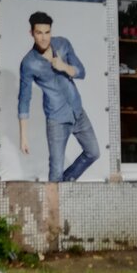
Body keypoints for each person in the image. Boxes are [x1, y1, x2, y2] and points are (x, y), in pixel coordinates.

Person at [18, 11, 100, 182]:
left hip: (77, 112)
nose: (44, 38)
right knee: (55, 172)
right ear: (31, 33)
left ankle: (66, 182)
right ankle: (57, 195)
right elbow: (24, 99)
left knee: (93, 152)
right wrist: (23, 136)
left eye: (47, 32)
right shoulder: (28, 63)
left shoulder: (63, 44)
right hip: (56, 120)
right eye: (39, 33)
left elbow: (81, 72)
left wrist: (64, 66)